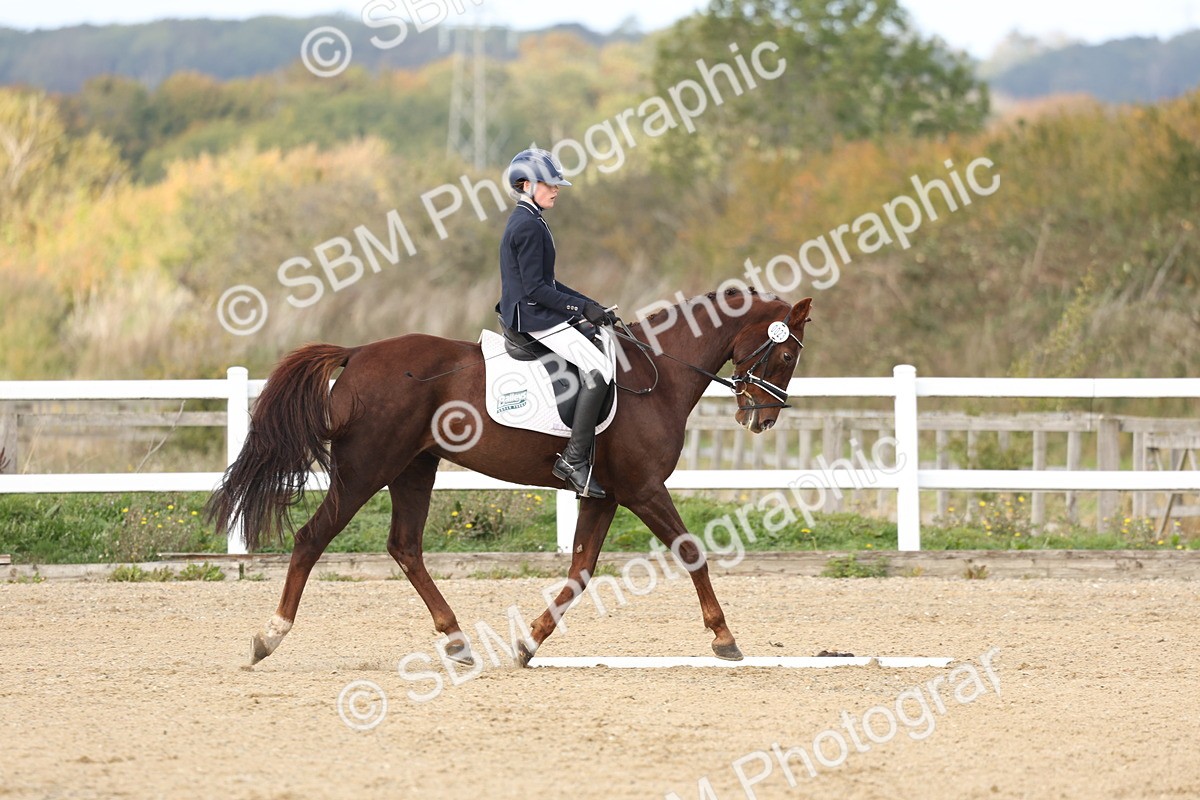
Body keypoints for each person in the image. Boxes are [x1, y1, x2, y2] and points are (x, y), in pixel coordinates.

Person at [496, 148, 617, 498]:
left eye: (556, 184)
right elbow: (535, 289)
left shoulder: (530, 219)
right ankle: (574, 461)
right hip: (530, 316)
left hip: (535, 308)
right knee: (598, 370)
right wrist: (580, 309)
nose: (556, 189)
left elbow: (548, 283)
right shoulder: (528, 226)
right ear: (526, 184)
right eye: (549, 184)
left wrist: (588, 305)